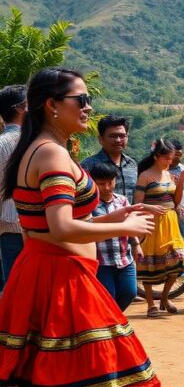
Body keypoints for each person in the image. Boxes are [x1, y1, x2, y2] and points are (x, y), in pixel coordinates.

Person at [0, 67, 159, 386]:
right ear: (52, 105)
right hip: (62, 281)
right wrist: (123, 228)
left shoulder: (40, 149)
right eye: (81, 99)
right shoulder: (51, 154)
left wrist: (115, 217)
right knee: (91, 373)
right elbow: (61, 229)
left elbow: (48, 226)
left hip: (42, 273)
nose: (88, 106)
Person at [90, 162, 164, 311]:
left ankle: (110, 320)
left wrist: (136, 245)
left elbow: (131, 224)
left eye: (110, 182)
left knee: (130, 292)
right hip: (101, 260)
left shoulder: (122, 200)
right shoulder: (89, 205)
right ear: (93, 183)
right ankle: (109, 322)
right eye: (101, 183)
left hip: (124, 257)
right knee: (108, 295)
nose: (107, 187)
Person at [134, 138, 184, 317]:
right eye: (167, 158)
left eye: (171, 158)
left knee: (178, 261)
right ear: (157, 156)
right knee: (150, 264)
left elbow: (175, 199)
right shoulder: (145, 176)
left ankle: (165, 297)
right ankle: (151, 304)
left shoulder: (169, 175)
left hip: (170, 222)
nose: (170, 161)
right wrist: (151, 208)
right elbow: (137, 203)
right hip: (152, 223)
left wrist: (180, 183)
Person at [0, 85, 27, 289]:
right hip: (21, 228)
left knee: (17, 288)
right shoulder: (35, 141)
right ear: (21, 108)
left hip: (11, 227)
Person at [81, 115, 138, 198]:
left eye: (122, 136)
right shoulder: (88, 165)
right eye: (113, 136)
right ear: (101, 139)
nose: (118, 140)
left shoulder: (132, 164)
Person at [168, 139, 184, 240]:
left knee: (181, 233)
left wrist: (179, 194)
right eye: (175, 154)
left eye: (180, 155)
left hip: (181, 207)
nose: (178, 157)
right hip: (164, 205)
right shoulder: (161, 168)